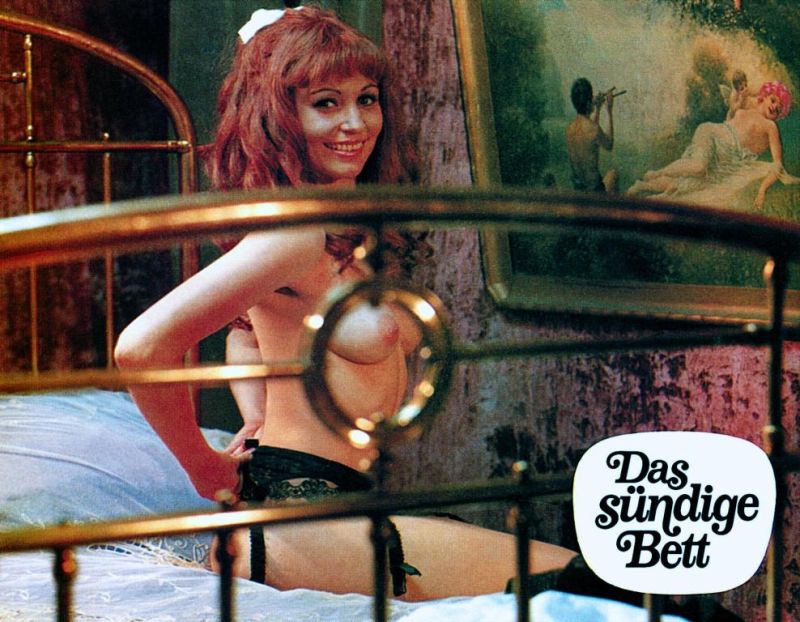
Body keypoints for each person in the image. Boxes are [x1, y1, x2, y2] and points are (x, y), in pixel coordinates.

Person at [114, 6, 575, 601]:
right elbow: (141, 347)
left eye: (367, 99)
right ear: (279, 117)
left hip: (344, 505)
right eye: (326, 103)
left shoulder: (349, 228)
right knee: (597, 586)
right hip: (301, 516)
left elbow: (246, 329)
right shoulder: (295, 234)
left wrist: (255, 411)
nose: (354, 123)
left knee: (600, 588)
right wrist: (204, 467)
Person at [628, 81, 799, 210]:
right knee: (698, 167)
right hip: (712, 134)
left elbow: (777, 165)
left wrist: (762, 190)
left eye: (778, 109)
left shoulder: (771, 127)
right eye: (773, 100)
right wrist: (735, 104)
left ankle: (642, 186)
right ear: (765, 96)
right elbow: (730, 119)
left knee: (689, 185)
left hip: (723, 159)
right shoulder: (746, 108)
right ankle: (657, 173)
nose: (774, 107)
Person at [565, 77, 618, 194]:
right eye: (592, 96)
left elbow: (590, 134)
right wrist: (609, 110)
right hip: (595, 192)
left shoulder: (570, 129)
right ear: (589, 102)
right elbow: (609, 144)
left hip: (579, 192)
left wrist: (598, 109)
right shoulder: (593, 129)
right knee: (614, 174)